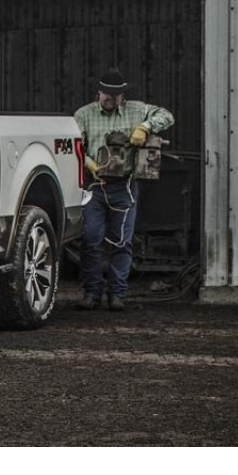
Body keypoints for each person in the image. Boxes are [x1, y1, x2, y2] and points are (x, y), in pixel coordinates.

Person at [74, 68, 174, 311]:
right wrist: (89, 164)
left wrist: (146, 127)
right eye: (108, 94)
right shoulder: (83, 115)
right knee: (90, 238)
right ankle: (92, 292)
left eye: (117, 95)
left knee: (122, 242)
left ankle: (117, 294)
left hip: (125, 185)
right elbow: (74, 145)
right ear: (99, 92)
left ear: (123, 95)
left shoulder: (136, 110)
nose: (112, 98)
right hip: (95, 186)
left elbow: (167, 116)